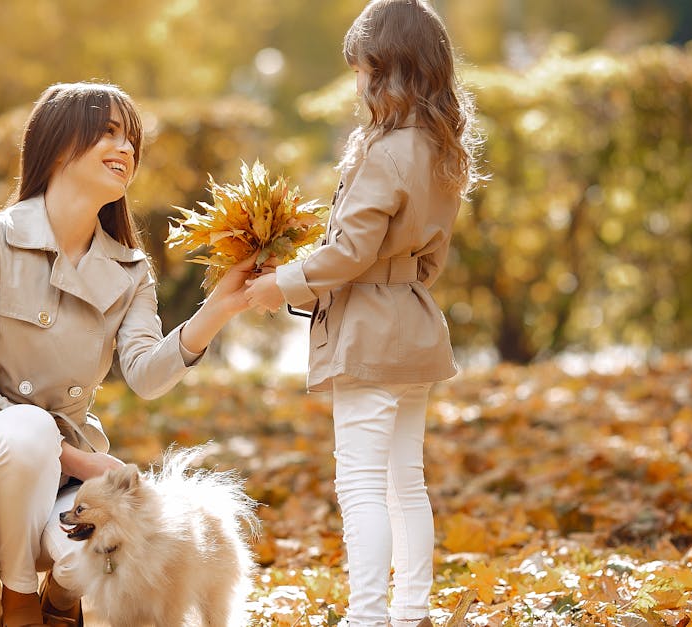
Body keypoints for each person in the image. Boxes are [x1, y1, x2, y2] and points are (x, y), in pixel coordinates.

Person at [0, 82, 256, 627]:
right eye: (109, 133)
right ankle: (19, 598)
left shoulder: (130, 269)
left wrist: (221, 307)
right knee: (29, 431)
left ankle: (62, 599)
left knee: (98, 554)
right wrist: (82, 461)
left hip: (68, 483)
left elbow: (145, 375)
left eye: (131, 139)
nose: (127, 149)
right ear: (61, 144)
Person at [245, 1, 484, 625]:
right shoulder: (440, 148)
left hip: (370, 335)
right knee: (406, 478)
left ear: (390, 71)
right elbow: (430, 257)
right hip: (414, 320)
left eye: (363, 69)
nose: (356, 83)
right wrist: (397, 281)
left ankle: (369, 615)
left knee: (360, 483)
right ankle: (410, 610)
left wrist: (284, 283)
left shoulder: (385, 152)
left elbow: (351, 249)